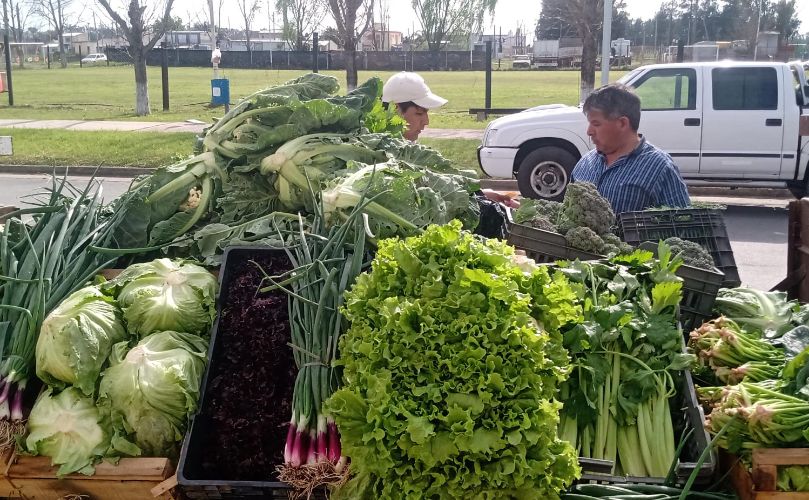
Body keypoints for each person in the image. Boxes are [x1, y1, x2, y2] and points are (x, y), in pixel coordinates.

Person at [382, 72, 519, 210]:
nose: (426, 121)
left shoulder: (407, 148)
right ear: (396, 109)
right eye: (419, 113)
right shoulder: (377, 156)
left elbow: (437, 185)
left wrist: (481, 195)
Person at [571, 83, 690, 214]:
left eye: (596, 124)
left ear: (622, 123)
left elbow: (684, 224)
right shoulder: (585, 163)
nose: (589, 131)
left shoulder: (660, 167)